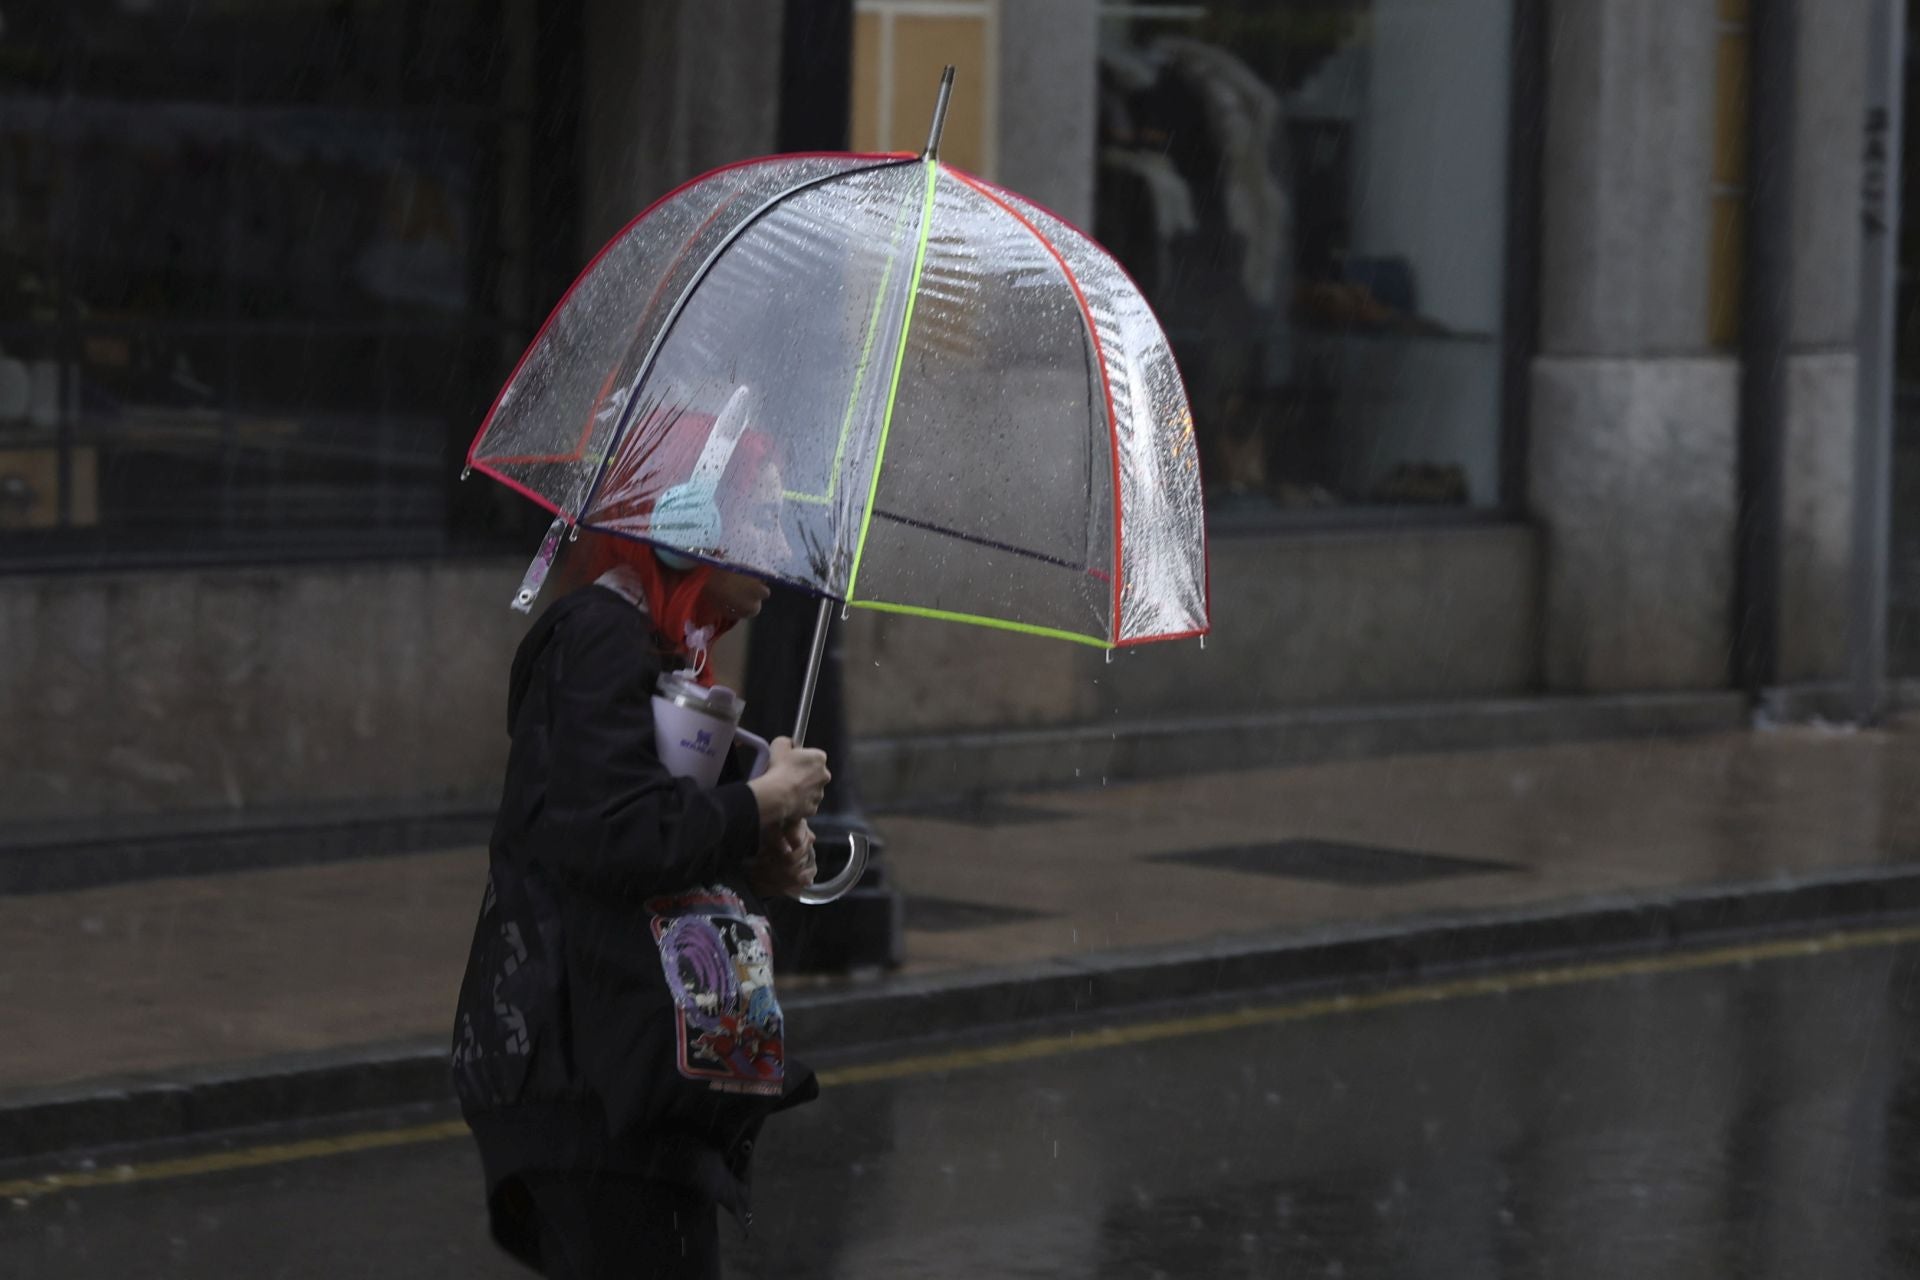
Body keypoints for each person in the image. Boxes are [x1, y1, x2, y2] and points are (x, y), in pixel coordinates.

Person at [450, 433, 831, 1276]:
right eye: (761, 516)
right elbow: (613, 832)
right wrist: (757, 804)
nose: (781, 546)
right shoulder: (599, 636)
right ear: (688, 524)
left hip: (630, 1086)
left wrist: (757, 853)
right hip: (587, 1078)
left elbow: (647, 846)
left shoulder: (659, 653)